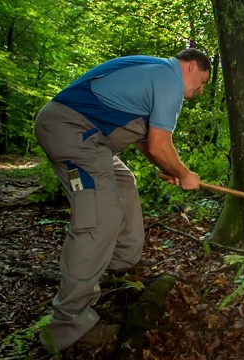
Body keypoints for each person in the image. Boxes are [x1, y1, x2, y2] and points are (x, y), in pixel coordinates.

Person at [34, 48, 211, 352]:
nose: (202, 89)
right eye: (203, 81)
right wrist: (184, 173)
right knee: (99, 221)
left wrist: (169, 170)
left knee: (123, 181)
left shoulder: (153, 71)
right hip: (73, 133)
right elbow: (159, 145)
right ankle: (68, 326)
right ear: (192, 66)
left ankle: (120, 262)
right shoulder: (168, 79)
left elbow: (146, 143)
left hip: (92, 141)